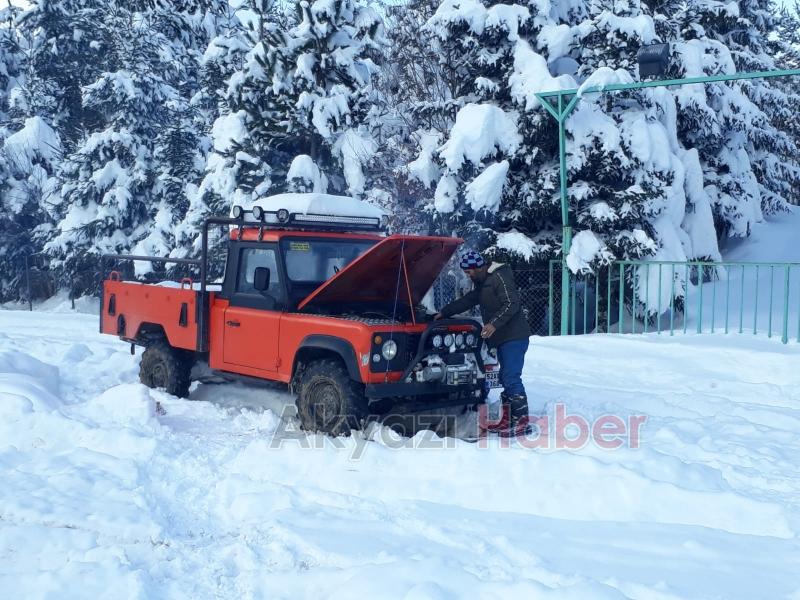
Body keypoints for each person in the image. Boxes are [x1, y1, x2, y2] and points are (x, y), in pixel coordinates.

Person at [435, 251, 532, 435]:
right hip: (504, 338)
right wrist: (444, 312)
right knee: (505, 376)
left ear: (479, 267)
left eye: (469, 271)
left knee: (511, 377)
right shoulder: (483, 283)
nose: (468, 275)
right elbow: (468, 300)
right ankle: (509, 418)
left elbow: (512, 303)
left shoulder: (498, 277)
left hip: (514, 337)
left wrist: (493, 324)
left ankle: (521, 422)